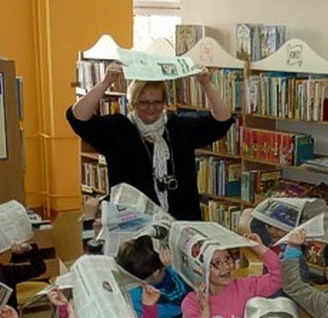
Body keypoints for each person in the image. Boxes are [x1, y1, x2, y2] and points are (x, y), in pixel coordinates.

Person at [66, 64, 234, 219]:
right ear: (133, 102)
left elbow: (222, 121)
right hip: (132, 225)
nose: (151, 108)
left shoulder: (178, 127)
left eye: (157, 102)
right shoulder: (119, 129)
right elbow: (77, 117)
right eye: (144, 102)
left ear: (164, 102)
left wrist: (206, 84)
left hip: (181, 223)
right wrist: (106, 82)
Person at [115, 235, 187, 318]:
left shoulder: (126, 280)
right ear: (156, 272)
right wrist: (170, 268)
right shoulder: (147, 297)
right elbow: (181, 300)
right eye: (163, 270)